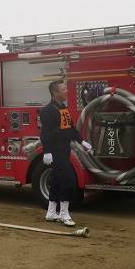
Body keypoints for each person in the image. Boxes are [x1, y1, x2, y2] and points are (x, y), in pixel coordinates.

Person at [40, 79, 92, 227]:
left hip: (65, 150)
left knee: (56, 180)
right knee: (68, 179)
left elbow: (71, 128)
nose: (66, 91)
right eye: (63, 90)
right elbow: (45, 133)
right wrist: (47, 152)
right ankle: (64, 213)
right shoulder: (47, 111)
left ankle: (51, 212)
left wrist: (81, 141)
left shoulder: (63, 108)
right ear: (54, 93)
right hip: (55, 152)